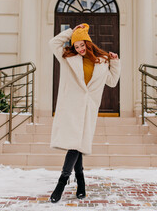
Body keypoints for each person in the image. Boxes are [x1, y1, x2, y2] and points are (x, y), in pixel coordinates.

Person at [48, 23, 121, 203]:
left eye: (82, 44)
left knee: (77, 144)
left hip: (88, 109)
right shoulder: (68, 58)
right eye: (76, 45)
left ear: (88, 43)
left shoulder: (102, 60)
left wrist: (115, 62)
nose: (79, 49)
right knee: (75, 144)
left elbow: (112, 82)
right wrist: (70, 32)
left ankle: (79, 181)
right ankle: (64, 182)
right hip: (71, 108)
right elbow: (53, 43)